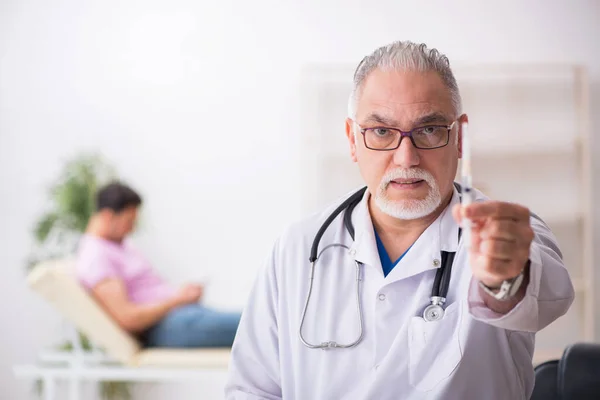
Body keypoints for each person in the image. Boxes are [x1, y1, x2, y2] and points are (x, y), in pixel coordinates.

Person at [224, 40, 575, 399]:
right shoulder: (297, 248)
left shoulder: (504, 233)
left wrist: (503, 281)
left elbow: (540, 294)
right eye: (381, 132)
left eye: (428, 130)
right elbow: (252, 389)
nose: (406, 158)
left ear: (460, 138)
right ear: (352, 140)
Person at [75, 181, 241, 348]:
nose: (132, 229)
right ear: (108, 216)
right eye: (129, 222)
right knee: (256, 325)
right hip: (165, 326)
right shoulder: (95, 256)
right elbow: (128, 317)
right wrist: (178, 300)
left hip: (182, 314)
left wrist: (183, 297)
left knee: (254, 320)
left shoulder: (120, 245)